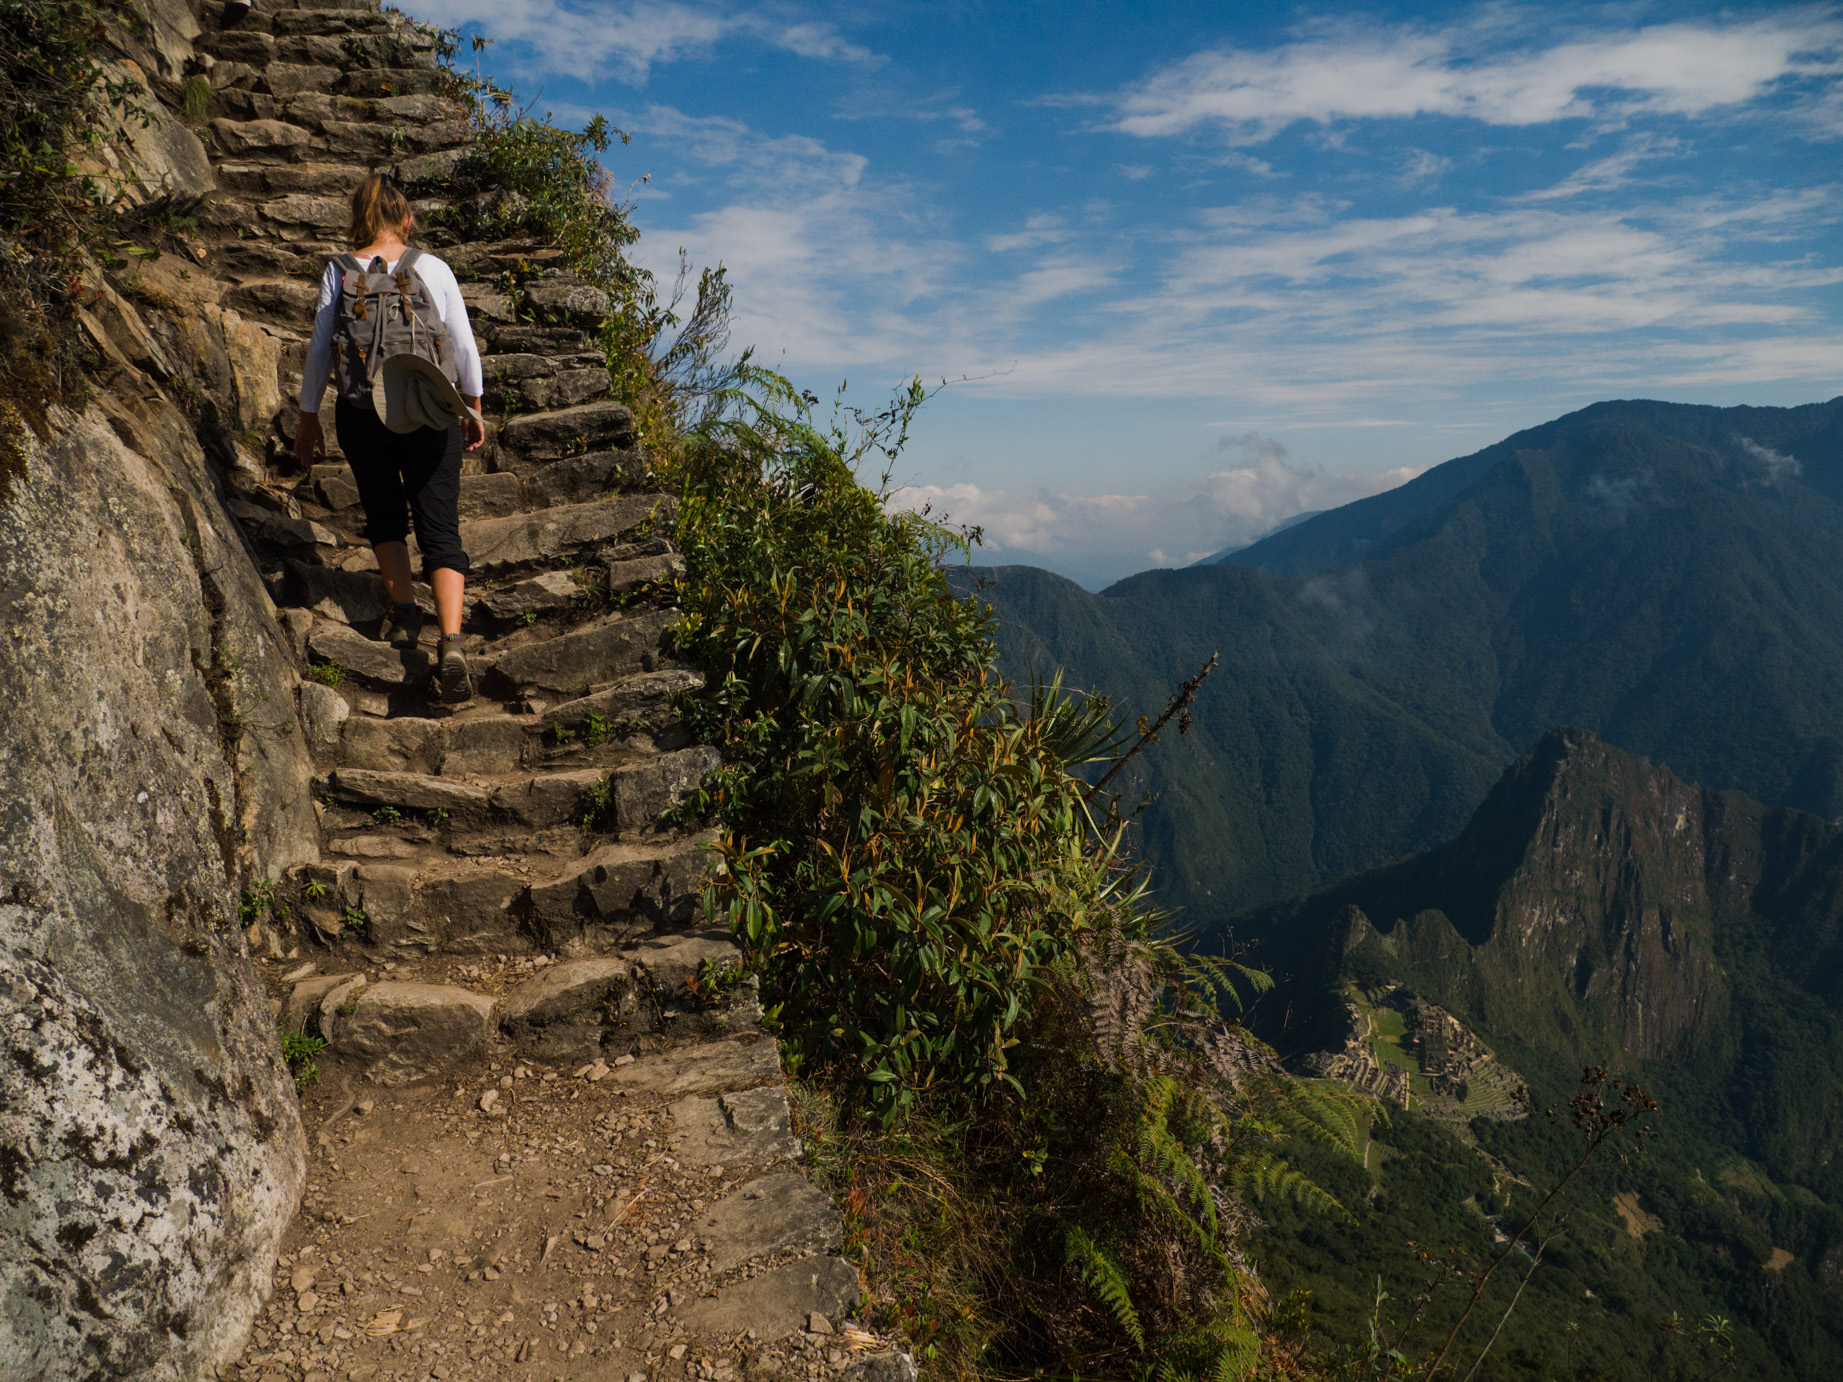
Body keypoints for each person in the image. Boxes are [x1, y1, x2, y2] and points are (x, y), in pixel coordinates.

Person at [294, 172, 486, 703]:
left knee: (383, 514)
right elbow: (464, 345)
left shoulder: (339, 271)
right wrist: (472, 405)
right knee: (439, 526)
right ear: (405, 220)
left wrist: (308, 416)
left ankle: (404, 616)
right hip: (429, 410)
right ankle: (450, 641)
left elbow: (317, 350)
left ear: (359, 217)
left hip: (361, 412)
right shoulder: (434, 268)